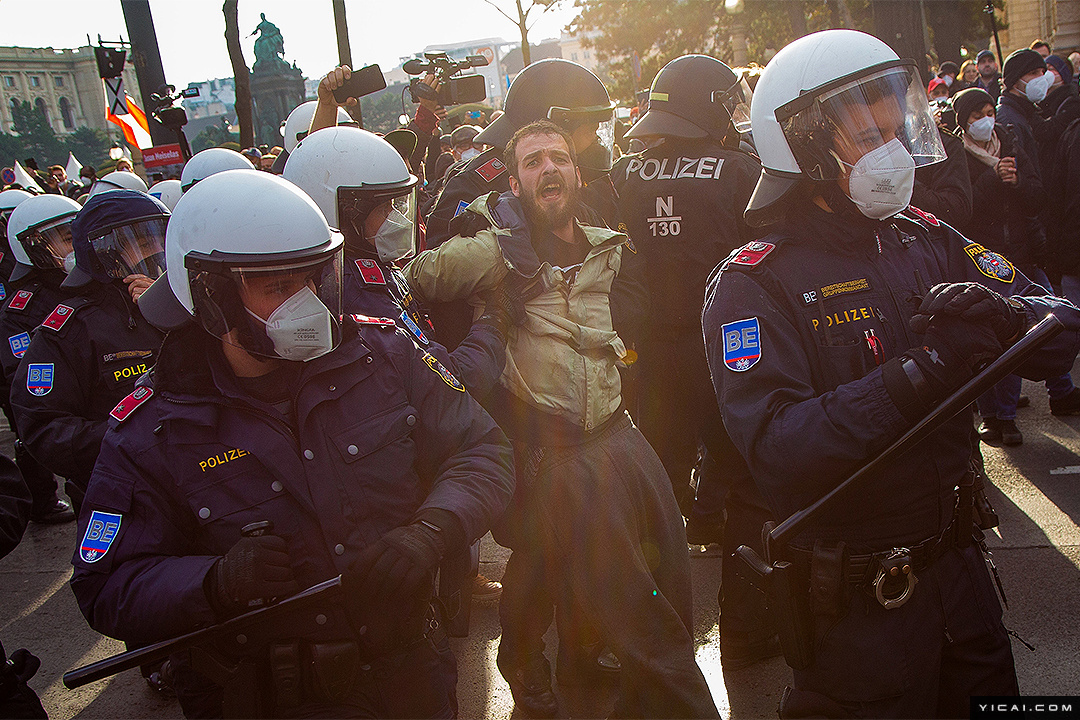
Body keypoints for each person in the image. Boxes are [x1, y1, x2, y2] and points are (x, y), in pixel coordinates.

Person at [704, 29, 1080, 718]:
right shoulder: (755, 285)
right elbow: (782, 450)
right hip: (861, 611)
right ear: (804, 146)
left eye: (895, 129)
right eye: (868, 135)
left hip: (964, 582)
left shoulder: (924, 236)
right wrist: (930, 366)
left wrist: (999, 316)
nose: (893, 151)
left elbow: (1059, 328)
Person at [71, 168, 514, 718]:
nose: (305, 303)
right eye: (278, 286)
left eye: (311, 280)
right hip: (268, 695)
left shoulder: (386, 354)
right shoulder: (154, 428)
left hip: (409, 676)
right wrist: (212, 582)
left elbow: (482, 449)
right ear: (212, 296)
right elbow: (105, 585)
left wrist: (433, 529)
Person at [405, 121, 717, 719]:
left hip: (618, 431)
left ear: (577, 173)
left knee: (663, 569)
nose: (548, 168)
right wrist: (487, 304)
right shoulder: (495, 251)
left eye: (558, 158)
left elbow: (638, 320)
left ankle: (570, 667)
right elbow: (412, 280)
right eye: (531, 162)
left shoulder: (611, 246)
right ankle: (530, 666)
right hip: (546, 444)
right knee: (604, 587)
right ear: (517, 183)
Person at [283, 124, 517, 603]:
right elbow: (452, 378)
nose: (392, 219)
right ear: (338, 212)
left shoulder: (375, 272)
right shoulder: (346, 293)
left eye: (395, 203)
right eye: (380, 208)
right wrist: (494, 319)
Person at [612, 53, 779, 670]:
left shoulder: (623, 175)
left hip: (648, 359)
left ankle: (653, 635)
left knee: (653, 494)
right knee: (749, 486)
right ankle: (747, 630)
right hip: (731, 351)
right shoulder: (743, 172)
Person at [9, 190, 168, 515]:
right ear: (106, 253)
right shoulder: (70, 328)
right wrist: (132, 437)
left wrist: (167, 312)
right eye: (142, 240)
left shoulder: (177, 301)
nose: (157, 249)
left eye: (158, 235)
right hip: (123, 493)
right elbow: (41, 425)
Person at [952, 87, 1050, 444]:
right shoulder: (957, 156)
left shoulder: (1012, 147)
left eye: (988, 111)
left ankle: (1006, 416)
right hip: (978, 260)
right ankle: (989, 413)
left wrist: (1019, 182)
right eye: (976, 116)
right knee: (981, 341)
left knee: (1013, 338)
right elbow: (962, 207)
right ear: (964, 123)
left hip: (1016, 256)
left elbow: (1038, 196)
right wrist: (992, 180)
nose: (985, 120)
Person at [1, 193, 83, 523]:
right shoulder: (21, 310)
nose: (75, 246)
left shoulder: (86, 286)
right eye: (66, 239)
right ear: (35, 246)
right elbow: (24, 382)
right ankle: (42, 502)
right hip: (72, 428)